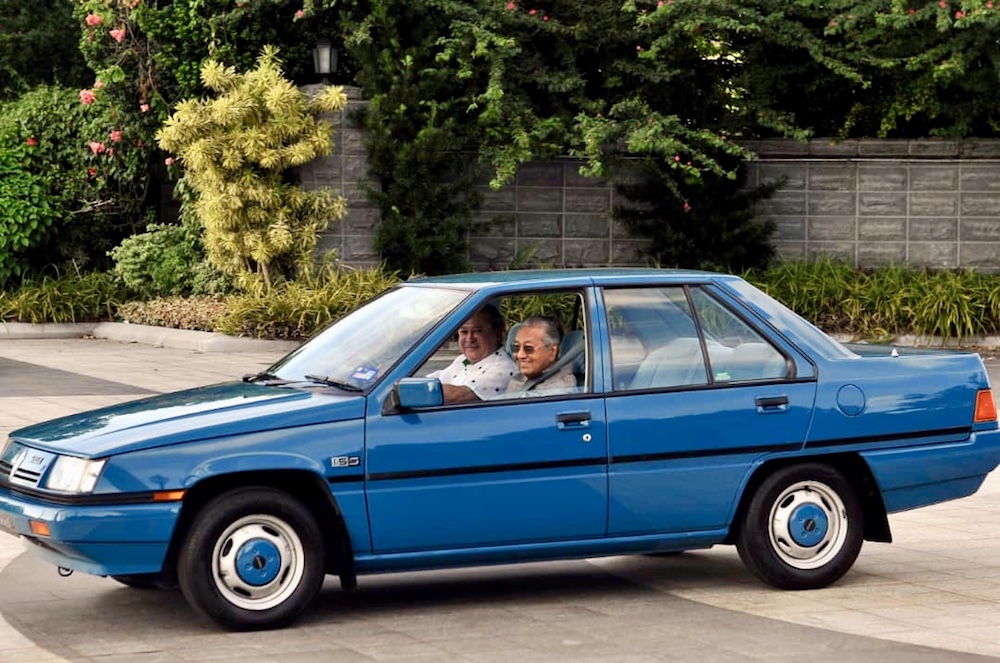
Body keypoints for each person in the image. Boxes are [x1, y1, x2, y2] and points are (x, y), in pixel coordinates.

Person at [427, 304, 517, 403]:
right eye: (464, 332)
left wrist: (415, 391)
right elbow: (434, 379)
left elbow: (456, 396)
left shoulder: (504, 368)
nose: (469, 339)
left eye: (477, 331)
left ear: (498, 334)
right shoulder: (463, 360)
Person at [505, 316, 578, 397]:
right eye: (516, 347)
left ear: (552, 352)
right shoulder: (519, 378)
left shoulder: (559, 391)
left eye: (528, 348)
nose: (520, 355)